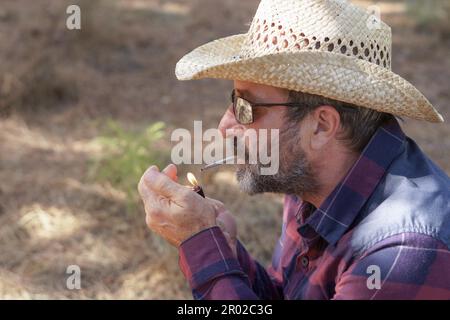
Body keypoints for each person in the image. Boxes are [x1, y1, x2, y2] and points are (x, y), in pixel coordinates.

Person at [138, 0, 450, 299]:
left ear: (321, 126)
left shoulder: (402, 252)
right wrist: (227, 252)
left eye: (246, 107)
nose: (225, 125)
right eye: (233, 101)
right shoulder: (309, 176)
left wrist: (201, 247)